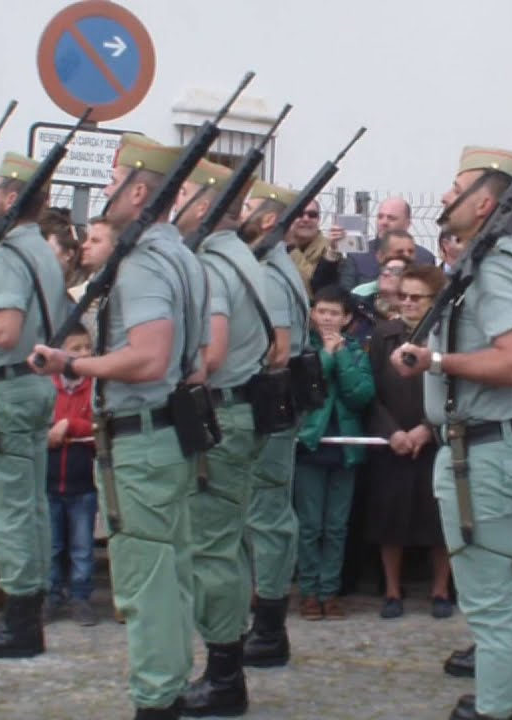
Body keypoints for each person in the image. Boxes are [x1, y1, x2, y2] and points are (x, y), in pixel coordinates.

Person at [32, 133, 209, 719]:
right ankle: (171, 687)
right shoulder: (182, 255)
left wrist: (72, 365)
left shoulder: (144, 264)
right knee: (171, 572)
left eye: (112, 181)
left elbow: (149, 357)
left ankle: (156, 698)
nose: (104, 191)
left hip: (143, 436)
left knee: (145, 580)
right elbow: (195, 361)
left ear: (137, 191)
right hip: (166, 432)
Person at [391, 146, 512, 720]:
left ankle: (498, 707)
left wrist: (436, 362)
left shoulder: (498, 265)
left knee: (490, 599)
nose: (445, 196)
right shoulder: (505, 257)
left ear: (484, 204)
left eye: (457, 189)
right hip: (494, 447)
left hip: (480, 455)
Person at [177, 156, 271, 717]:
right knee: (228, 547)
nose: (177, 201)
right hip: (238, 413)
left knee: (211, 550)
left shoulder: (212, 264)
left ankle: (222, 678)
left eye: (184, 192)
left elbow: (209, 354)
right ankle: (225, 668)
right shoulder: (244, 258)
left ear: (208, 201)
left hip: (217, 416)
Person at [0, 152, 68, 660]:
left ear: (9, 197)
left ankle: (19, 620)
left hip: (9, 383)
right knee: (31, 503)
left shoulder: (9, 252)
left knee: (7, 507)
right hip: (37, 382)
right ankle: (29, 609)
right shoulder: (42, 249)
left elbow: (4, 331)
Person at [238, 181, 310, 668]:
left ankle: (268, 629)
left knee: (265, 514)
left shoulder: (267, 271)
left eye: (247, 207)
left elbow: (277, 350)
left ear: (267, 219)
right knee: (263, 512)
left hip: (268, 402)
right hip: (276, 401)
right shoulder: (275, 266)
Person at [365, 264, 452, 619]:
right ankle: (391, 590)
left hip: (435, 439)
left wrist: (427, 429)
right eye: (403, 296)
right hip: (393, 440)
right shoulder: (384, 335)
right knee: (391, 518)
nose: (409, 303)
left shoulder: (445, 337)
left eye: (417, 297)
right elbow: (371, 392)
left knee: (439, 519)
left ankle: (440, 589)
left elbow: (454, 389)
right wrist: (392, 432)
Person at [293, 286, 375, 620]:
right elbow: (306, 388)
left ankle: (330, 590)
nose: (327, 318)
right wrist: (326, 355)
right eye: (322, 311)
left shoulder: (355, 351)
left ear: (347, 318)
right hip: (311, 444)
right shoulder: (304, 348)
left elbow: (361, 394)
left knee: (337, 526)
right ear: (313, 314)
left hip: (345, 447)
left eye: (334, 313)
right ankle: (309, 591)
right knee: (310, 525)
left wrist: (340, 356)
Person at [44, 324, 97, 627]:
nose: (84, 354)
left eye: (87, 347)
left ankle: (80, 596)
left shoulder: (95, 388)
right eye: (75, 349)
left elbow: (97, 426)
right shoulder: (48, 387)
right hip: (50, 480)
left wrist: (70, 426)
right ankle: (51, 595)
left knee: (82, 546)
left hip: (83, 482)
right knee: (51, 545)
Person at [334, 196, 436, 286]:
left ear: (407, 223)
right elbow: (346, 294)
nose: (384, 222)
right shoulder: (358, 255)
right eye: (380, 217)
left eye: (391, 218)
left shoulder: (424, 258)